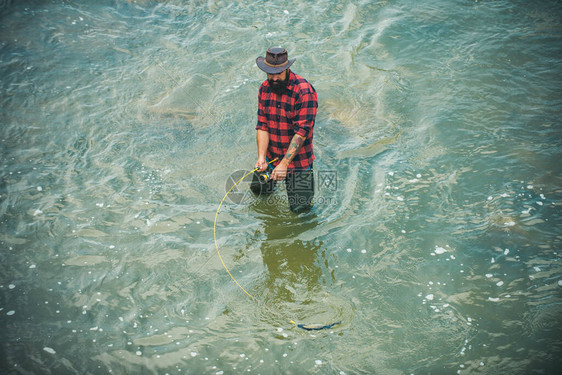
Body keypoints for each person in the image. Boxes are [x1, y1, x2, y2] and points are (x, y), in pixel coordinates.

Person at [250, 47, 318, 213]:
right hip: (271, 157)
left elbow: (302, 132)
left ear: (287, 69)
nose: (274, 78)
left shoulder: (304, 91)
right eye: (270, 74)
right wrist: (261, 158)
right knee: (257, 192)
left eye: (278, 73)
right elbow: (262, 125)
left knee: (301, 212)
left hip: (299, 162)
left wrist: (285, 163)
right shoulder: (264, 89)